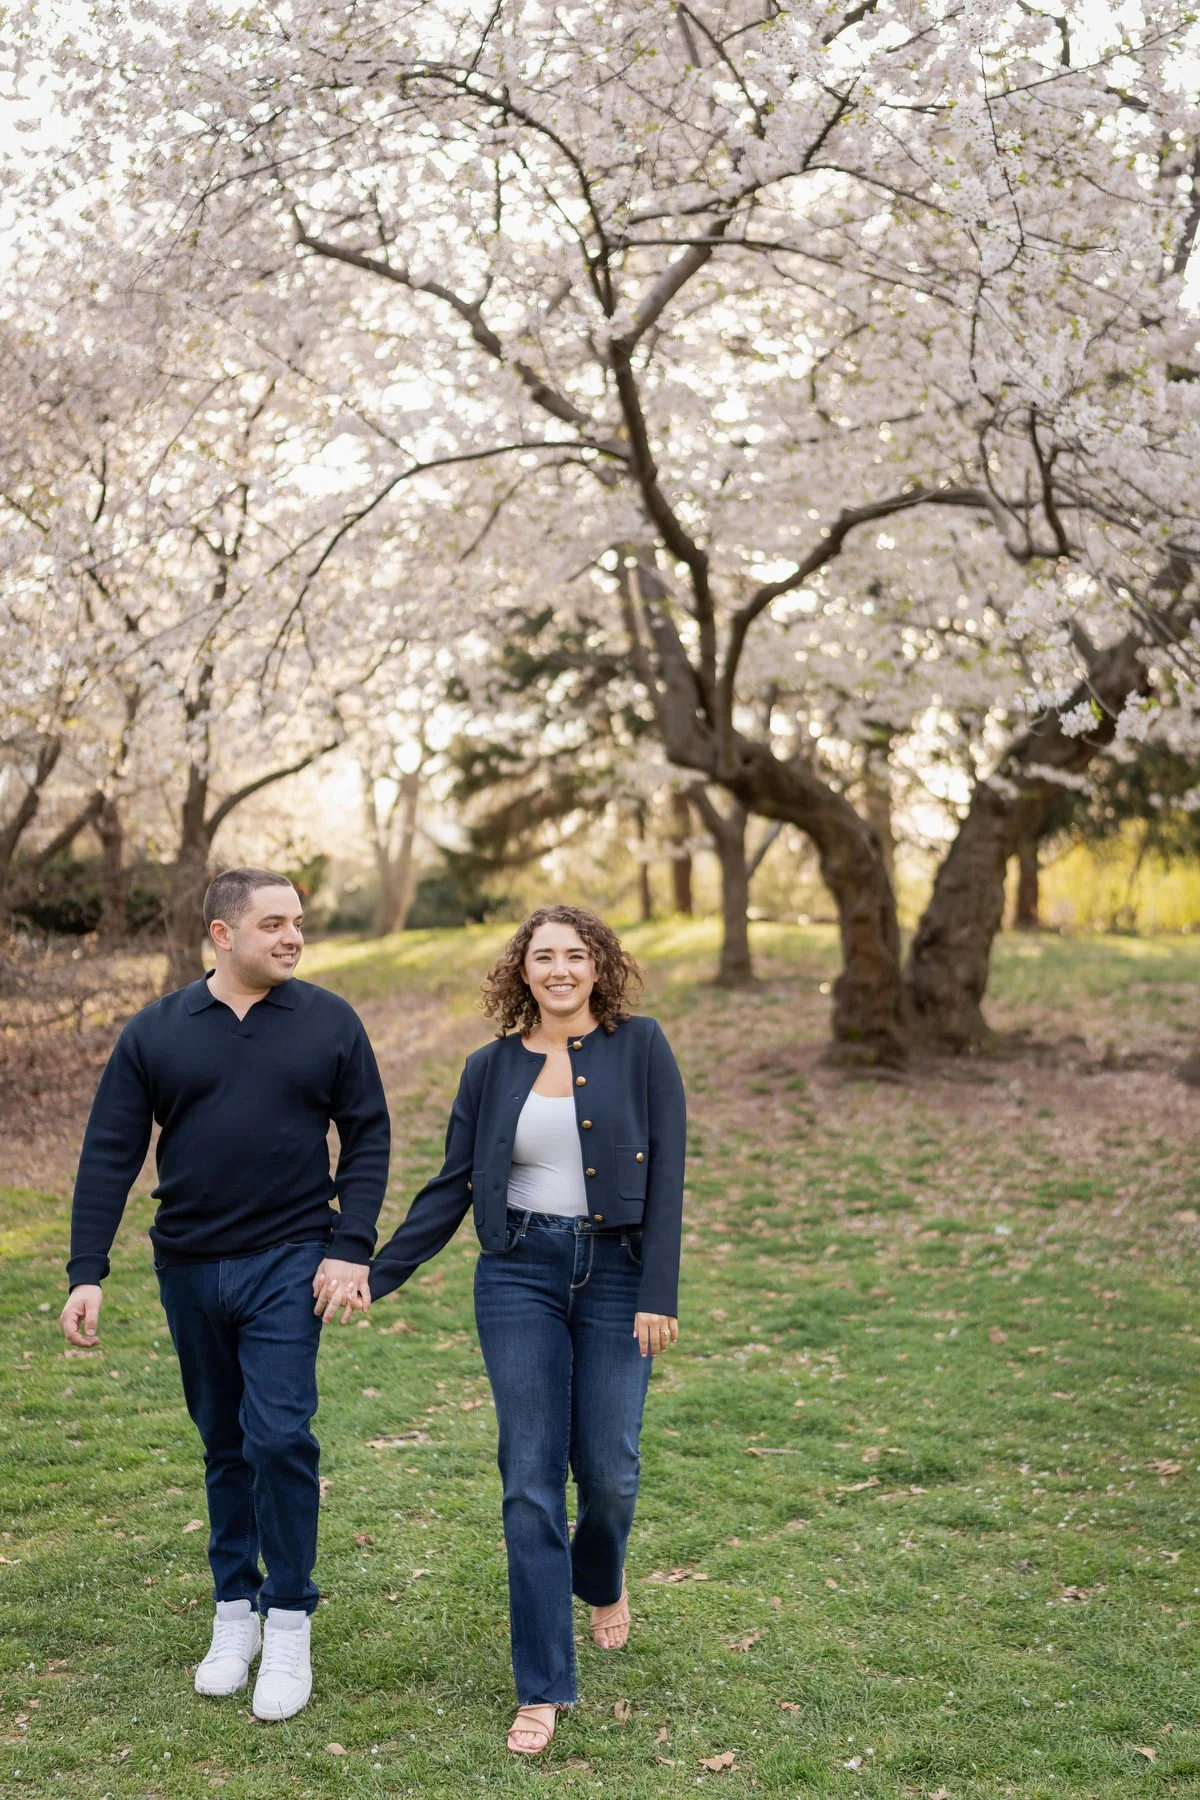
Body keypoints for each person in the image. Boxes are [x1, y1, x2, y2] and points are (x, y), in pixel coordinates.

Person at [330, 904, 686, 1755]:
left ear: (598, 964)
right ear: (521, 971)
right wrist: (378, 1272)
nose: (559, 969)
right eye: (542, 956)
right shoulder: (488, 1068)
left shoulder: (642, 1047)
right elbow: (452, 1184)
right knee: (529, 1476)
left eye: (574, 954)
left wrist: (658, 1292)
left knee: (609, 1471)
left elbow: (669, 1173)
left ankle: (600, 1575)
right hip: (518, 1272)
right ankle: (542, 1686)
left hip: (618, 1277)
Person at [61, 867, 390, 1722]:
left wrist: (349, 1247)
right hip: (190, 1266)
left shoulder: (328, 1022)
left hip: (291, 1259)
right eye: (274, 923)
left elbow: (367, 1136)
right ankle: (233, 1612)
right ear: (221, 933)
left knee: (280, 1436)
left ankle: (289, 1619)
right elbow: (109, 1152)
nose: (292, 937)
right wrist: (86, 1270)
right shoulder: (157, 1032)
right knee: (223, 1443)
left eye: (299, 923)